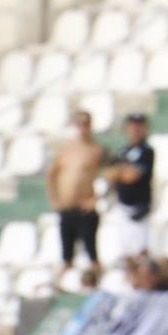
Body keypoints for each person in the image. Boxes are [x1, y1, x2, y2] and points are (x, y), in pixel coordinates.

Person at [47, 111, 105, 271]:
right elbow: (52, 174)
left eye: (86, 124)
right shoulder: (66, 149)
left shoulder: (96, 149)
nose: (83, 128)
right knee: (66, 256)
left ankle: (95, 283)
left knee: (91, 253)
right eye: (80, 124)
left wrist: (95, 199)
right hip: (67, 207)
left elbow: (110, 176)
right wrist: (55, 200)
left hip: (85, 207)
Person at [105, 113, 155, 260]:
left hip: (138, 208)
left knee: (140, 251)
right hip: (122, 207)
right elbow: (109, 174)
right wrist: (123, 171)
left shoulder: (146, 151)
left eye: (139, 126)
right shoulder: (123, 151)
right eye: (132, 126)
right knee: (125, 252)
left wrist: (120, 172)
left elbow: (133, 176)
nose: (135, 129)